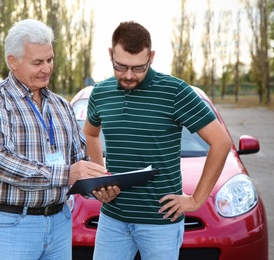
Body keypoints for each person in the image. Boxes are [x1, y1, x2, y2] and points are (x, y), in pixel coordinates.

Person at [83, 21, 232, 260]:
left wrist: (196, 200)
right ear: (110, 54)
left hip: (160, 223)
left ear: (151, 57)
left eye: (138, 68)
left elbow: (221, 142)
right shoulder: (100, 93)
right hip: (112, 219)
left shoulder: (175, 91)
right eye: (121, 67)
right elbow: (90, 133)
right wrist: (101, 177)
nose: (129, 75)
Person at [0, 19, 109, 260]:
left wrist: (99, 186)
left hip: (60, 224)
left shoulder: (62, 106)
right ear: (13, 61)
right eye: (37, 62)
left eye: (50, 60)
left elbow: (79, 161)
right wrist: (67, 173)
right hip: (12, 227)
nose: (47, 68)